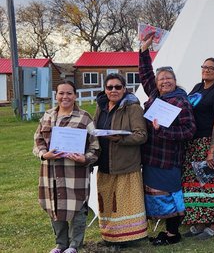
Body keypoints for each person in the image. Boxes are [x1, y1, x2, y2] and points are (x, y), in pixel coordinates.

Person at [139, 34, 197, 246]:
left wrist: (164, 131)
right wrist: (144, 51)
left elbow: (189, 130)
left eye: (168, 78)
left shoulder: (181, 101)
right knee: (157, 197)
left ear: (175, 81)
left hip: (169, 158)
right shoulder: (155, 95)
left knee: (170, 196)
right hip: (152, 156)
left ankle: (173, 234)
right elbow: (145, 75)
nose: (165, 81)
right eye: (161, 79)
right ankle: (167, 231)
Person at [33, 80, 100, 253]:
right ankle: (60, 244)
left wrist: (84, 158)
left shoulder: (84, 117)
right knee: (54, 206)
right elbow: (38, 141)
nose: (65, 97)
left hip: (74, 172)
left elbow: (95, 147)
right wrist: (43, 154)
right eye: (61, 93)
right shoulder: (47, 116)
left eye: (69, 93)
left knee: (78, 206)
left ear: (75, 95)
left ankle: (74, 245)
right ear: (56, 95)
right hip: (51, 172)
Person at [94, 73, 148, 246]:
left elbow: (142, 135)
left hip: (125, 164)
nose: (113, 90)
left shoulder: (133, 108)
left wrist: (121, 139)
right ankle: (109, 236)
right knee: (108, 202)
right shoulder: (101, 107)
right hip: (104, 163)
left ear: (124, 89)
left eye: (118, 87)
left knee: (123, 204)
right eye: (109, 87)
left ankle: (127, 238)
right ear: (105, 89)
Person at [182, 57, 214, 240]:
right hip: (192, 143)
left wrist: (211, 151)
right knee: (194, 184)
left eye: (212, 68)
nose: (207, 70)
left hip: (207, 143)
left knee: (209, 183)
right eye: (204, 67)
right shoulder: (197, 88)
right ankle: (199, 221)